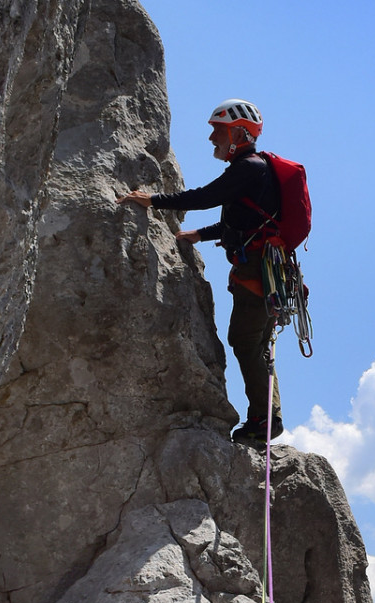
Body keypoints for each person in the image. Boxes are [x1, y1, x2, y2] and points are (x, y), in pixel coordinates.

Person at [119, 98, 283, 444]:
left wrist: (155, 200)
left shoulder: (249, 168)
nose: (212, 140)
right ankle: (267, 416)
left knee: (246, 340)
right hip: (263, 269)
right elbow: (241, 222)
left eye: (218, 131)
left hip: (257, 270)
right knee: (256, 342)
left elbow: (207, 196)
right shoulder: (252, 170)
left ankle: (264, 421)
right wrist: (201, 234)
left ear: (240, 132)